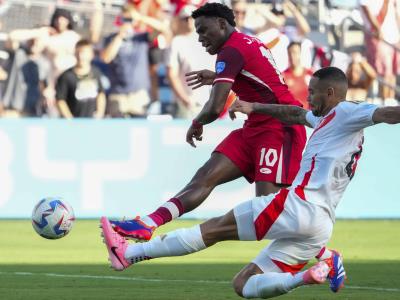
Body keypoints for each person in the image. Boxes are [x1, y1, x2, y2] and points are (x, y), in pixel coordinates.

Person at [101, 66, 400, 298]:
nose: (308, 97)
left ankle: (128, 254)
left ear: (331, 93)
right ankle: (306, 276)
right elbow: (296, 113)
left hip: (299, 205)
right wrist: (256, 107)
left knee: (214, 229)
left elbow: (386, 113)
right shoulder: (327, 120)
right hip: (320, 226)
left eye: (313, 92)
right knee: (242, 284)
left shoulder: (348, 111)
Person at [109, 3, 306, 245]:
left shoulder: (231, 51)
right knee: (205, 176)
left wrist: (197, 122)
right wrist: (219, 77)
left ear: (222, 24)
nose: (200, 38)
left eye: (204, 30)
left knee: (268, 214)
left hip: (279, 128)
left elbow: (215, 107)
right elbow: (258, 76)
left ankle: (324, 256)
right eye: (197, 32)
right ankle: (148, 224)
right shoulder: (245, 42)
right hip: (255, 126)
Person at [166, 5, 214, 118]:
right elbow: (171, 74)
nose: (189, 20)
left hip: (208, 103)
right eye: (185, 18)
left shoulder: (207, 41)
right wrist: (185, 100)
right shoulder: (176, 42)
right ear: (180, 21)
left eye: (192, 17)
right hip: (187, 105)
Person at [359, 0, 400, 103]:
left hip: (394, 35)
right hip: (379, 36)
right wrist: (377, 28)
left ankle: (391, 102)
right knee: (384, 72)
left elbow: (396, 11)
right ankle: (386, 103)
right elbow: (365, 6)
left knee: (392, 73)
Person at [56, 39, 106, 118]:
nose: (80, 56)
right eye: (78, 52)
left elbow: (101, 94)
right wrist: (69, 119)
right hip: (73, 124)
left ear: (91, 54)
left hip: (92, 122)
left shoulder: (96, 73)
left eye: (84, 53)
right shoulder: (66, 76)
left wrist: (100, 113)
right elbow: (60, 100)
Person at [282, 41, 313, 109]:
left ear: (300, 53)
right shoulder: (282, 76)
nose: (292, 56)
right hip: (291, 117)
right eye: (290, 53)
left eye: (295, 53)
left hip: (308, 116)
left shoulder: (311, 75)